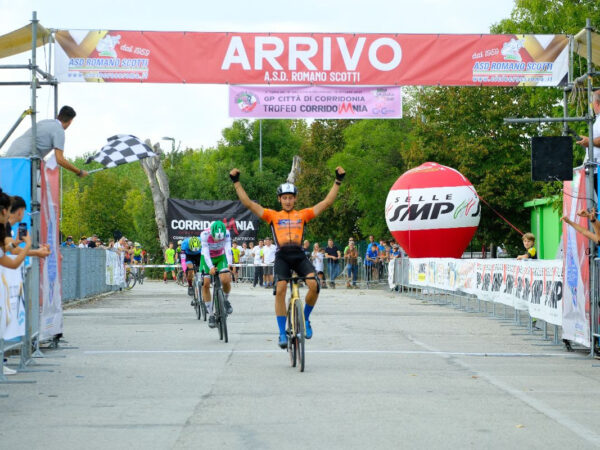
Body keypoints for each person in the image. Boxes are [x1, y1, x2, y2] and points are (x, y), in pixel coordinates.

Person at [230, 165, 345, 349]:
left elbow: (326, 203)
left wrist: (338, 181)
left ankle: (305, 319)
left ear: (295, 199)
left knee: (314, 285)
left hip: (299, 256)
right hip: (282, 256)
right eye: (284, 198)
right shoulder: (272, 215)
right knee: (281, 288)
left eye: (291, 197)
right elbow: (249, 204)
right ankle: (282, 333)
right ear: (279, 199)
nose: (288, 201)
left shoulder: (303, 214)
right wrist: (236, 182)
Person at [3, 106, 88, 177]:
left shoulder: (44, 122)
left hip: (10, 155)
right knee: (26, 188)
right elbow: (60, 159)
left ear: (58, 115)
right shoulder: (59, 131)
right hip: (24, 159)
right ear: (70, 121)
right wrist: (79, 172)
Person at [199, 220, 234, 329]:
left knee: (226, 279)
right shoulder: (204, 234)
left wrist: (229, 264)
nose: (217, 240)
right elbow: (205, 252)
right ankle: (211, 315)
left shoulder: (227, 233)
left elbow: (228, 249)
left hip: (220, 257)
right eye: (215, 238)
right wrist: (210, 267)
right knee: (206, 284)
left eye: (220, 239)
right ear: (211, 232)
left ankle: (225, 300)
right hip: (206, 258)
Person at [0, 189, 32, 270]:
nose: (9, 215)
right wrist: (28, 245)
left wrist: (14, 244)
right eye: (9, 211)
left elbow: (3, 251)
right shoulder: (5, 227)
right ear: (4, 211)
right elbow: (13, 263)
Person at [576, 90, 600, 162]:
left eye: (592, 103)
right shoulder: (598, 118)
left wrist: (589, 141)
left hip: (597, 166)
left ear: (597, 103)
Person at [181, 236, 202, 300]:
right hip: (188, 256)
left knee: (201, 269)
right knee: (190, 270)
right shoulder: (184, 243)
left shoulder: (202, 241)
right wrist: (184, 269)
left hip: (199, 255)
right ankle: (190, 286)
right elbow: (183, 259)